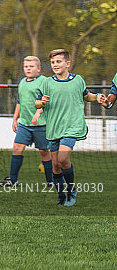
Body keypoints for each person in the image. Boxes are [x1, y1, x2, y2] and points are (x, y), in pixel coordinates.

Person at [33, 49, 99, 207]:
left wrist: (97, 97)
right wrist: (41, 103)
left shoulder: (78, 80)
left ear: (67, 63)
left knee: (63, 159)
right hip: (54, 128)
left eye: (58, 62)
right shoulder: (46, 82)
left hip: (72, 126)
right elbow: (36, 103)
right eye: (53, 62)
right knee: (55, 165)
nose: (55, 65)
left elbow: (86, 95)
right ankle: (61, 195)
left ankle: (71, 190)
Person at [0, 56, 52, 187]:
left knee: (44, 152)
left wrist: (38, 114)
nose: (28, 69)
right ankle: (13, 180)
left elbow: (47, 101)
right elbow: (19, 102)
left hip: (41, 124)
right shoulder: (22, 82)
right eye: (26, 66)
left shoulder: (44, 81)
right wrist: (15, 119)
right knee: (17, 148)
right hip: (24, 124)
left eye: (31, 66)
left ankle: (51, 181)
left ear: (38, 68)